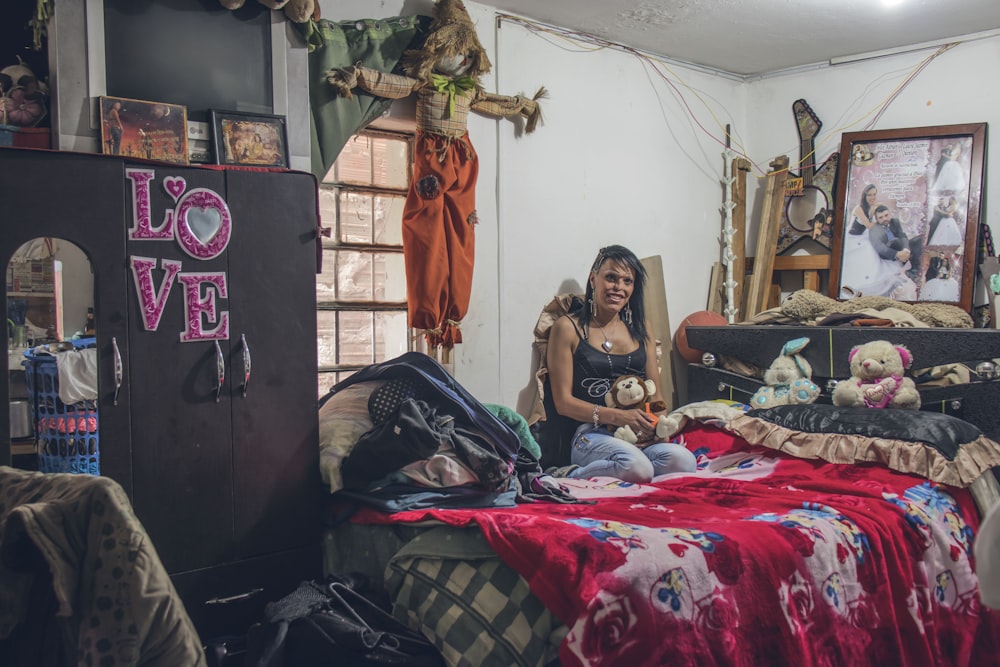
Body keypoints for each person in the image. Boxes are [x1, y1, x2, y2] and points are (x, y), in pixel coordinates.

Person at [545, 245, 697, 482]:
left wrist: (656, 427)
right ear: (593, 279)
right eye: (611, 278)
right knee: (637, 467)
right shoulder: (567, 328)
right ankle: (567, 475)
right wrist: (618, 417)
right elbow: (563, 403)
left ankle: (624, 471)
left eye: (628, 281)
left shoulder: (640, 327)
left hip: (635, 435)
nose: (619, 287)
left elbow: (655, 396)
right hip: (590, 435)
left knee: (684, 461)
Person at [839, 185, 901, 297]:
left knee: (876, 246)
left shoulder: (875, 206)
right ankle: (857, 287)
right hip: (854, 238)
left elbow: (884, 218)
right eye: (869, 195)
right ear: (864, 195)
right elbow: (869, 225)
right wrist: (873, 214)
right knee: (868, 250)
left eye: (874, 194)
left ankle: (871, 284)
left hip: (864, 236)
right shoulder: (859, 208)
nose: (872, 197)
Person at [869, 204, 919, 299]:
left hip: (900, 250)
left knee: (915, 242)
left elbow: (902, 236)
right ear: (877, 219)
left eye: (886, 215)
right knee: (894, 241)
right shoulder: (874, 230)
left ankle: (912, 269)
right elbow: (880, 248)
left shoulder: (895, 222)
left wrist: (905, 249)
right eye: (881, 217)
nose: (884, 219)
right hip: (888, 255)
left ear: (890, 214)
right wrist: (896, 254)